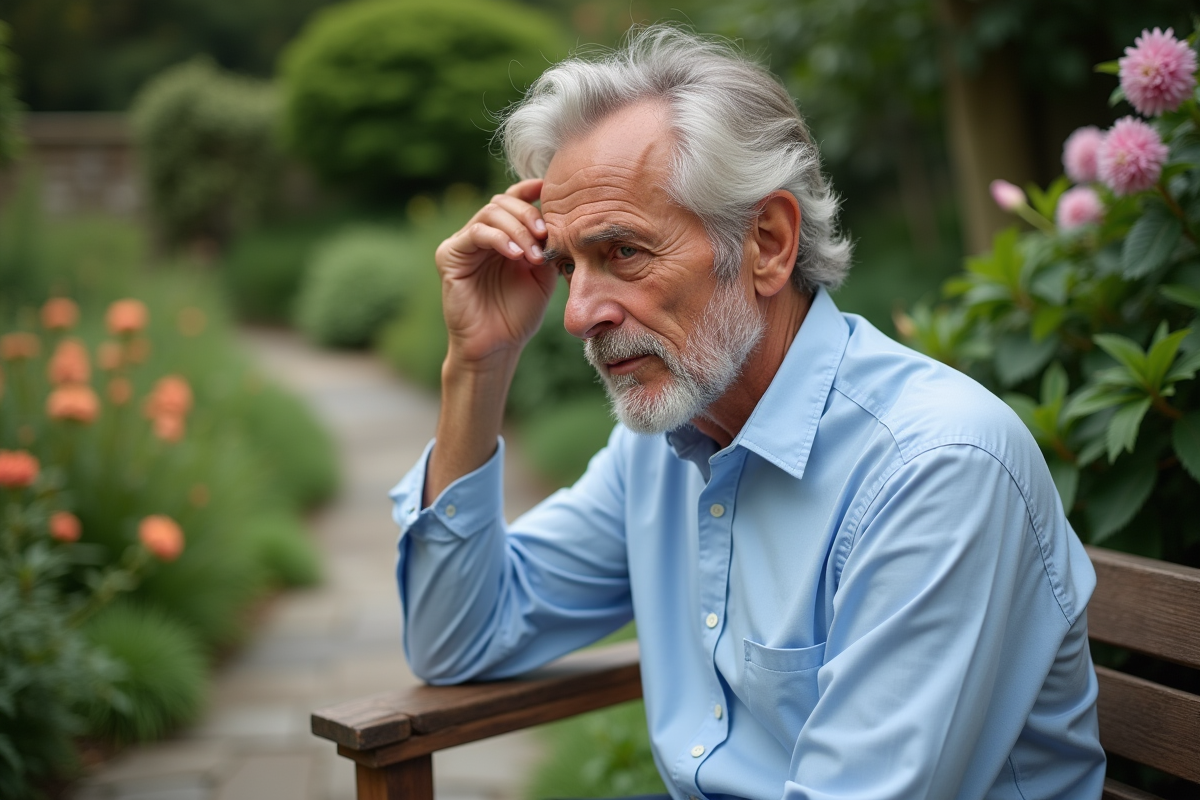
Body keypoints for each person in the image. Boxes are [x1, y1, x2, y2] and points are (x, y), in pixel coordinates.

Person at [389, 25, 1106, 800]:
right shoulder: (667, 441)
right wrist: (477, 364)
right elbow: (455, 639)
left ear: (767, 243)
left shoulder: (935, 468)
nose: (578, 314)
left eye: (623, 252)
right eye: (567, 266)